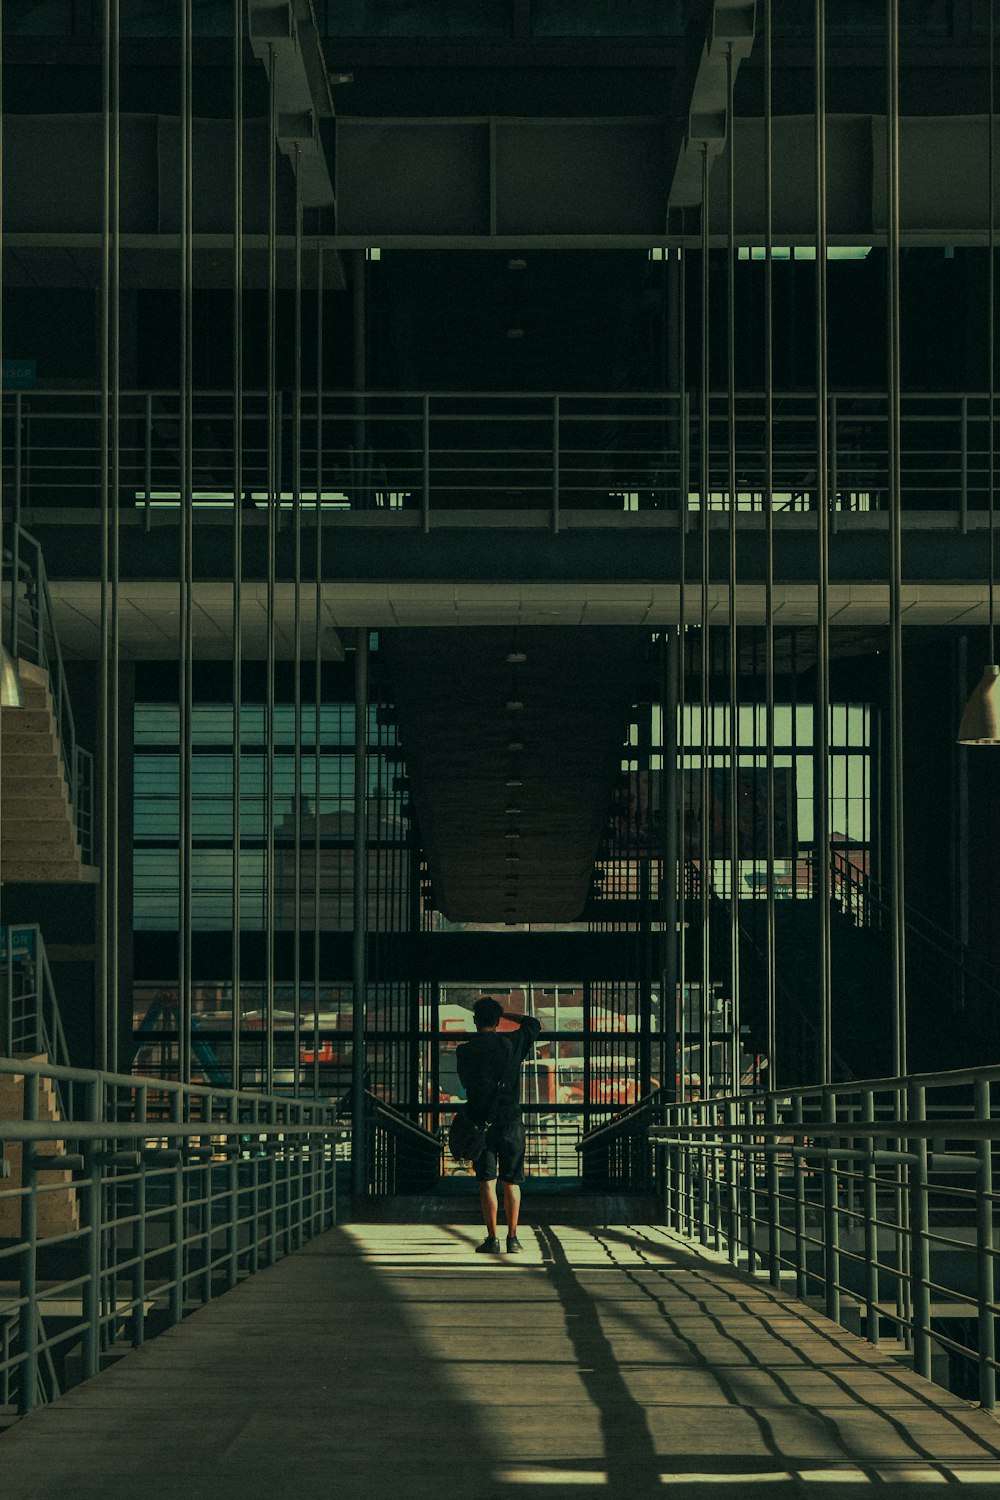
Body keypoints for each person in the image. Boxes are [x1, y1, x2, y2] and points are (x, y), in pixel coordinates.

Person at [455, 995, 542, 1255]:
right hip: (510, 1122)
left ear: (474, 1020)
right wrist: (507, 1016)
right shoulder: (511, 1043)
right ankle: (513, 1238)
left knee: (486, 1182)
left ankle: (492, 1238)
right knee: (511, 1183)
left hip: (480, 1123)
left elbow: (466, 1083)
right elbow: (533, 1024)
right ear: (496, 1020)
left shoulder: (465, 1050)